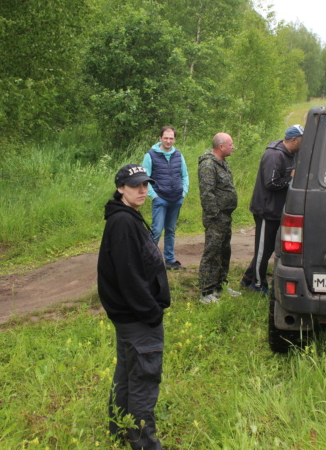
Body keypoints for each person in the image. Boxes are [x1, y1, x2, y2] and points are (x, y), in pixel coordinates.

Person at [97, 164, 171, 450]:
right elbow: (129, 277)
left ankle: (119, 431)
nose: (142, 190)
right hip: (138, 318)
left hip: (128, 317)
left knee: (127, 374)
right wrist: (151, 313)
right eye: (135, 185)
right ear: (120, 188)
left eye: (145, 185)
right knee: (143, 378)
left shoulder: (125, 217)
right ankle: (145, 444)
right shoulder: (124, 223)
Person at [241, 124, 304, 294]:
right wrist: (290, 178)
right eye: (302, 140)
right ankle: (258, 285)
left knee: (268, 249)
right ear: (294, 139)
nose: (303, 144)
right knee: (263, 250)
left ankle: (247, 279)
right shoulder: (274, 155)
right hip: (266, 210)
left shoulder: (293, 154)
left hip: (278, 210)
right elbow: (272, 182)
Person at [197, 133, 241, 303]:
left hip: (225, 216)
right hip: (216, 217)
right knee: (212, 252)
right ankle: (206, 291)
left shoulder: (222, 162)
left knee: (224, 251)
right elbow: (206, 193)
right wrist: (215, 215)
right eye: (231, 144)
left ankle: (220, 285)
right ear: (221, 146)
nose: (233, 147)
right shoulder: (208, 165)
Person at [142, 126, 189, 270]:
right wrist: (154, 196)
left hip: (176, 199)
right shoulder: (150, 155)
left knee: (170, 230)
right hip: (160, 199)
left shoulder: (178, 155)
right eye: (166, 138)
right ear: (160, 138)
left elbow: (184, 175)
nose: (168, 141)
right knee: (156, 231)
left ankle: (170, 261)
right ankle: (147, 262)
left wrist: (184, 192)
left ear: (174, 139)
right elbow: (144, 178)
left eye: (171, 138)